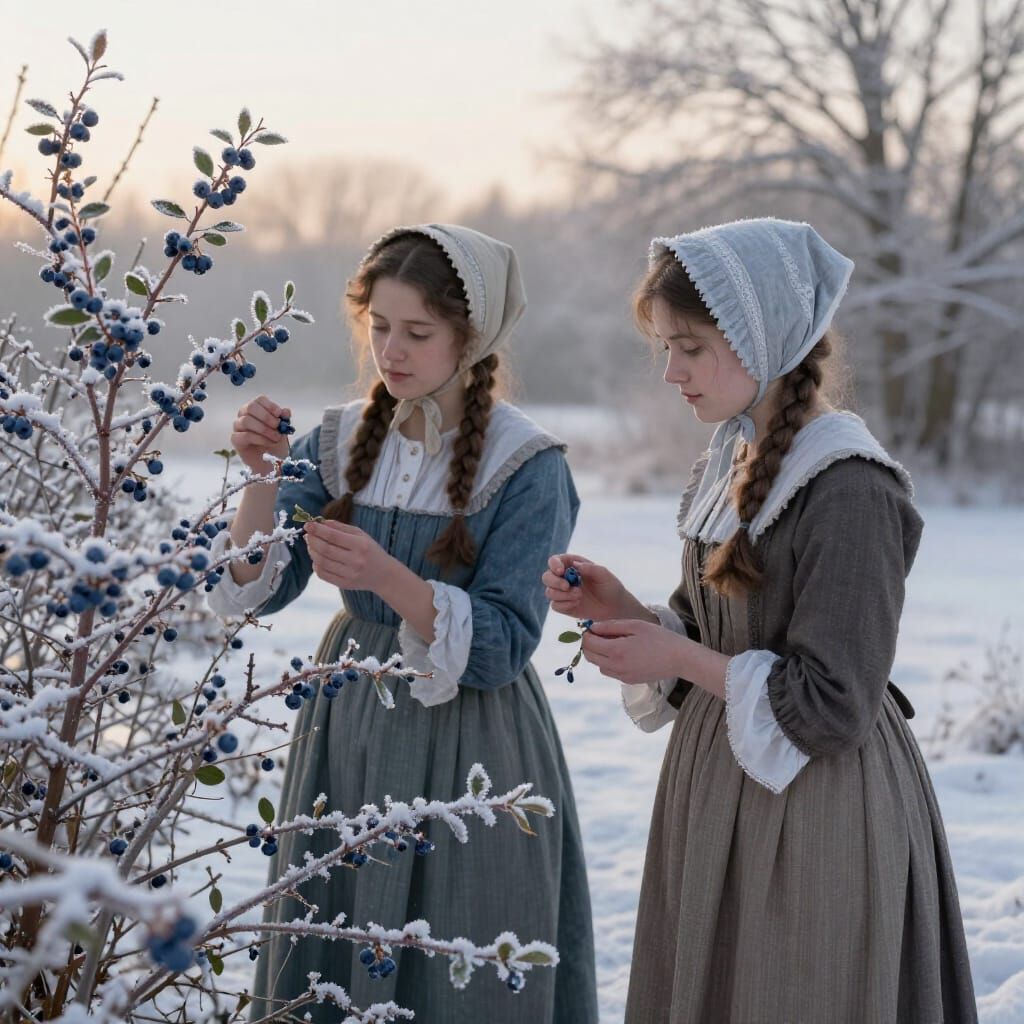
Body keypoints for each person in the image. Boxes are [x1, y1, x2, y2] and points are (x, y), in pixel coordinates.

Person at [544, 218, 976, 1023]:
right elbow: (719, 633)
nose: (671, 371)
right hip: (720, 791)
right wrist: (628, 612)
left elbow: (832, 704)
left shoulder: (849, 485)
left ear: (763, 335)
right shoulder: (732, 457)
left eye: (692, 346)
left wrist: (672, 653)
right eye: (665, 347)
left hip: (817, 812)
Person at [209, 224, 597, 1022]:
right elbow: (253, 589)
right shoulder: (340, 437)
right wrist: (261, 480)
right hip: (348, 722)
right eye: (379, 327)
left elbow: (501, 645)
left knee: (461, 938)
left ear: (471, 336)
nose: (392, 350)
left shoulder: (529, 465)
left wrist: (391, 579)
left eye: (417, 332)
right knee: (334, 934)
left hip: (471, 739)